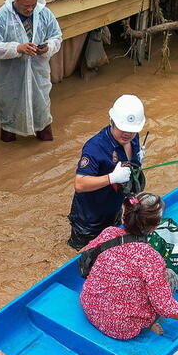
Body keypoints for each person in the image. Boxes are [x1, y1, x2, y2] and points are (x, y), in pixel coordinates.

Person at [79, 192, 178, 340]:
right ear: (154, 228)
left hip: (89, 305)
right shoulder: (150, 258)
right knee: (170, 275)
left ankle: (145, 319)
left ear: (124, 217)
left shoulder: (109, 233)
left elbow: (85, 251)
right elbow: (165, 307)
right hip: (120, 328)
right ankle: (147, 323)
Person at [0, 0, 62, 143]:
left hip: (38, 76)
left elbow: (56, 37)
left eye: (33, 5)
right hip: (11, 79)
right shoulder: (1, 17)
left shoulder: (44, 13)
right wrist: (17, 49)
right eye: (25, 6)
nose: (29, 9)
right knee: (9, 120)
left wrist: (47, 47)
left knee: (42, 115)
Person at [67, 94, 146, 250]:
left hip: (114, 211)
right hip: (89, 221)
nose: (127, 134)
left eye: (132, 130)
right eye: (122, 129)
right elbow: (80, 184)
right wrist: (111, 178)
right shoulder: (95, 147)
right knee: (84, 259)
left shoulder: (133, 138)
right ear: (112, 121)